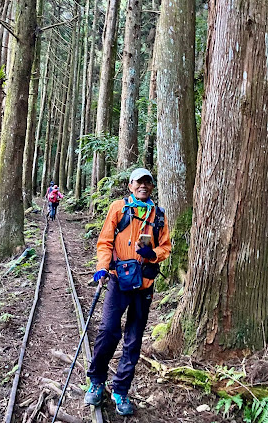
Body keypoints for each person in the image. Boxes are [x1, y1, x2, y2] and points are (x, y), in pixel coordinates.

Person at [84, 168, 171, 416]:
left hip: (144, 283)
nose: (143, 186)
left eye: (147, 182)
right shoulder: (119, 208)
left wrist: (152, 254)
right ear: (131, 185)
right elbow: (105, 242)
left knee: (133, 339)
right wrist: (102, 268)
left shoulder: (159, 215)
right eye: (138, 182)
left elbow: (166, 247)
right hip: (117, 280)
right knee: (108, 331)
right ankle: (97, 380)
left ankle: (121, 389)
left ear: (152, 187)